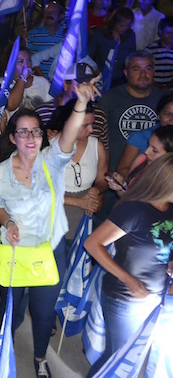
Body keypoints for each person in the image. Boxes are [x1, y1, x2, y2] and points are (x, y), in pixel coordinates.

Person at [0, 80, 100, 378]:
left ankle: (40, 358)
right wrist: (8, 222)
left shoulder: (52, 160)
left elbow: (69, 134)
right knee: (10, 309)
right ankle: (6, 351)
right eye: (22, 131)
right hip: (13, 250)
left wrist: (79, 103)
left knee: (42, 313)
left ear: (41, 135)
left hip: (50, 250)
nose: (30, 137)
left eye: (35, 130)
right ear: (12, 137)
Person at [83, 153, 173, 377]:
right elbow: (93, 244)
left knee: (130, 360)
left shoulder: (170, 209)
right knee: (119, 360)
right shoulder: (133, 210)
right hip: (125, 299)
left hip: (157, 296)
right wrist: (128, 279)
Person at [46, 100, 108, 240]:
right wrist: (78, 202)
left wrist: (96, 190)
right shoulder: (49, 146)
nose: (91, 130)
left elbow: (102, 179)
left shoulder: (96, 146)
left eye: (92, 124)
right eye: (85, 125)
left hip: (84, 217)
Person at [115, 93, 173, 178]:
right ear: (158, 115)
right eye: (167, 114)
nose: (172, 120)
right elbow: (122, 170)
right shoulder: (140, 137)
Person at [107, 126, 173, 197]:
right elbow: (127, 197)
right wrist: (120, 187)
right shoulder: (142, 159)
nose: (146, 152)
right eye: (148, 145)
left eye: (155, 150)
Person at [88, 7, 136, 88]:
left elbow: (133, 56)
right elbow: (88, 56)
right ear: (114, 22)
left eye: (127, 25)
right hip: (100, 79)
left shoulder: (130, 35)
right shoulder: (99, 35)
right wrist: (96, 70)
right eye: (121, 25)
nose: (124, 28)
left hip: (121, 80)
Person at [27, 2, 65, 78]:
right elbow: (28, 59)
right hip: (36, 80)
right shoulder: (33, 34)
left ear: (60, 16)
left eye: (53, 12)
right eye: (47, 12)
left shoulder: (65, 35)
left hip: (59, 81)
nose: (49, 14)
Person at [148, 17, 173, 90]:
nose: (171, 37)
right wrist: (161, 88)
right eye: (168, 33)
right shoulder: (150, 51)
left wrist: (167, 87)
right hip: (153, 91)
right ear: (160, 31)